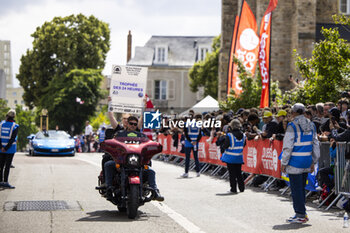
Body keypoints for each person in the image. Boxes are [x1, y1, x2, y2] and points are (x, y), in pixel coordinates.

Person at [104, 116, 164, 201]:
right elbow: (113, 143)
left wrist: (154, 146)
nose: (133, 125)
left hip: (137, 162)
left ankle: (155, 191)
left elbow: (147, 144)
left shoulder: (141, 136)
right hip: (122, 161)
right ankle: (108, 188)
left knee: (151, 171)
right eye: (131, 123)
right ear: (127, 124)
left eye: (135, 124)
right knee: (108, 165)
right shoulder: (119, 134)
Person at [281, 103, 320, 224]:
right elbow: (315, 144)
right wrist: (314, 160)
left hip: (294, 162)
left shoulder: (292, 126)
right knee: (301, 188)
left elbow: (288, 146)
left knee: (296, 189)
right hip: (307, 161)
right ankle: (302, 212)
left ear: (293, 112)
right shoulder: (311, 124)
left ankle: (300, 214)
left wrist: (284, 162)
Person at [220, 119, 246, 193]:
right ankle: (242, 188)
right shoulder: (243, 135)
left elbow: (225, 146)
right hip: (239, 158)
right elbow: (244, 145)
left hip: (230, 158)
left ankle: (233, 189)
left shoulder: (229, 135)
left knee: (232, 174)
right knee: (239, 173)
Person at [0, 110, 19, 189]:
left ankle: (0, 181)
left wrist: (2, 147)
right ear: (14, 116)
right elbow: (12, 139)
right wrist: (6, 148)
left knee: (1, 165)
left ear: (7, 115)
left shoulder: (1, 124)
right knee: (7, 166)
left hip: (1, 149)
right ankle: (5, 182)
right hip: (10, 149)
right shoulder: (15, 126)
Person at [181, 114, 202, 178]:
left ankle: (186, 173)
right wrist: (196, 141)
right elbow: (200, 134)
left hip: (188, 143)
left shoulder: (186, 124)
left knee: (187, 158)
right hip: (195, 143)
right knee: (196, 157)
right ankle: (198, 172)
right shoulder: (198, 124)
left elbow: (186, 134)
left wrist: (191, 141)